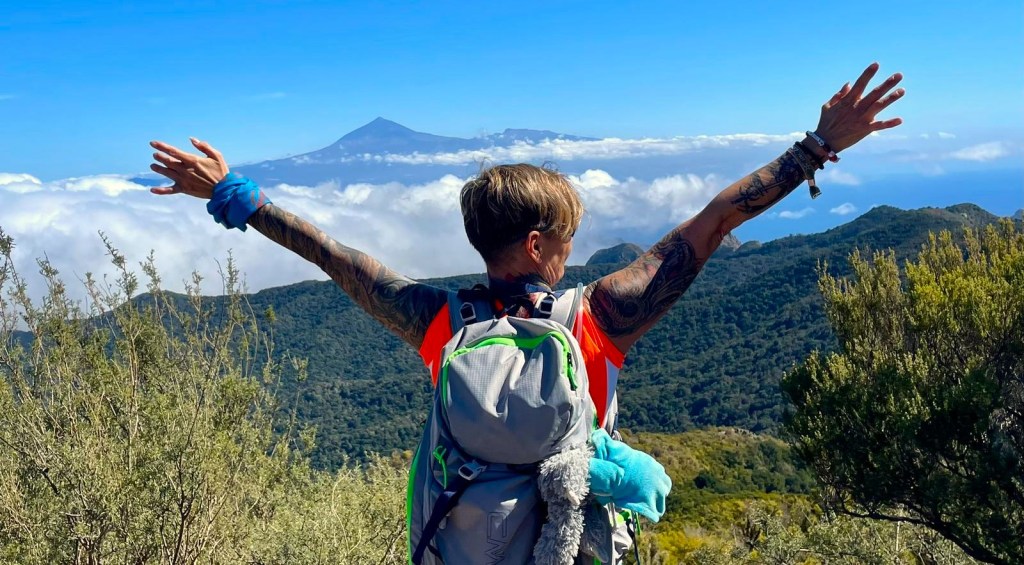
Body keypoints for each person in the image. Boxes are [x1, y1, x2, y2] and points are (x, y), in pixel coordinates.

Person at [149, 61, 903, 557]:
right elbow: (714, 223)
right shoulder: (597, 319)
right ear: (539, 244)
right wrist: (815, 147)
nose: (573, 252)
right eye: (567, 238)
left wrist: (235, 196)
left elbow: (335, 258)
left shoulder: (439, 325)